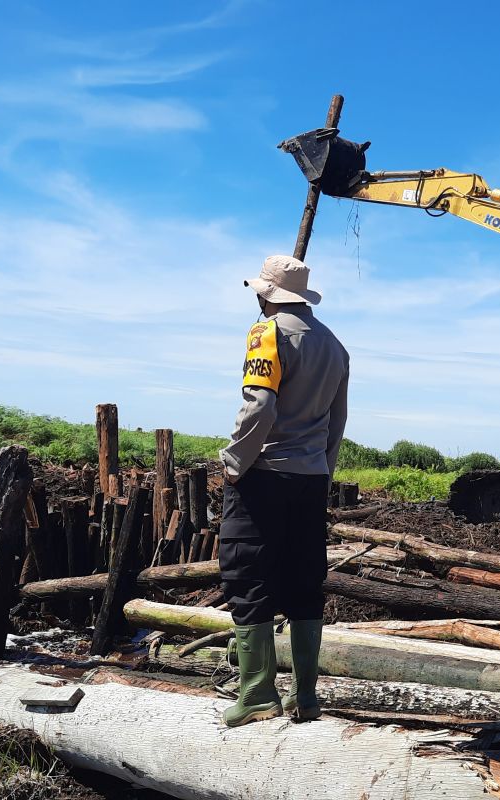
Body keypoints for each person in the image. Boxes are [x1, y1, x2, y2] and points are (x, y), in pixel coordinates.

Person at [218, 254, 350, 728]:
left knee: (247, 574)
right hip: (310, 480)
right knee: (303, 580)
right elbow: (338, 423)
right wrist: (322, 470)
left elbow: (259, 408)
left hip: (265, 475)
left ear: (266, 294)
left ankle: (256, 694)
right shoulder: (335, 346)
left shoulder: (267, 333)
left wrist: (235, 463)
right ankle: (306, 696)